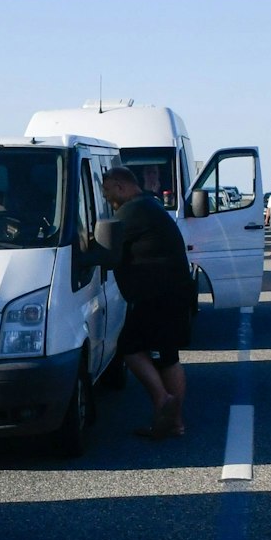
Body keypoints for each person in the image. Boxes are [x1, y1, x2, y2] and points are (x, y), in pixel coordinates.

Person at [93, 165, 192, 439]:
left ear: (121, 186)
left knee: (129, 347)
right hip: (172, 292)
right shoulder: (150, 205)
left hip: (156, 295)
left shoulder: (131, 212)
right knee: (168, 356)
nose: (107, 198)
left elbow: (101, 251)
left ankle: (163, 400)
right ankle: (175, 423)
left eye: (108, 191)